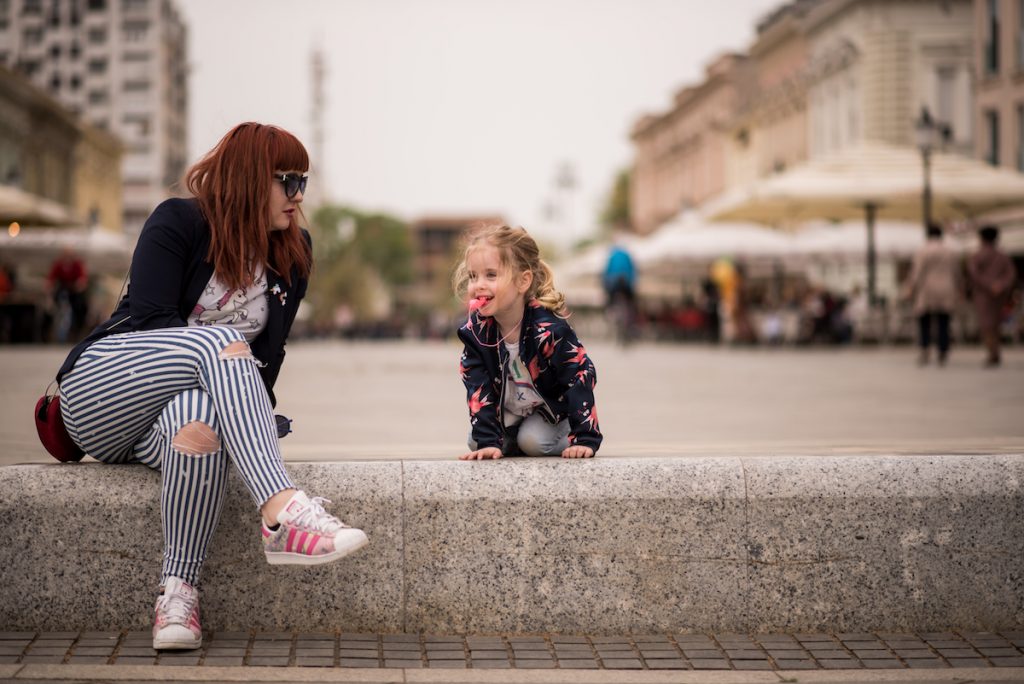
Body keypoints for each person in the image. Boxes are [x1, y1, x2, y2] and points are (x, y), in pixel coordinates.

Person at [50, 122, 368, 651]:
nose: (298, 196)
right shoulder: (179, 221)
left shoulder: (293, 252)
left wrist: (243, 421)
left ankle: (178, 596)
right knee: (216, 343)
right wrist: (226, 358)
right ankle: (282, 509)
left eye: (303, 182)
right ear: (246, 178)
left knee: (198, 429)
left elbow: (270, 360)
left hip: (167, 422)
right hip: (104, 393)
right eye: (285, 180)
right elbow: (150, 328)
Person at [454, 224, 602, 460]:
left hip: (551, 411)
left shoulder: (549, 330)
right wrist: (489, 441)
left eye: (491, 275)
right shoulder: (476, 335)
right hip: (511, 414)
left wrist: (584, 438)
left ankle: (556, 436)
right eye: (473, 276)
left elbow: (578, 376)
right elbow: (477, 388)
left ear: (523, 281)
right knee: (476, 440)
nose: (478, 284)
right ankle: (508, 441)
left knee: (532, 442)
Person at [902, 223, 961, 366]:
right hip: (947, 288)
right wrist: (960, 289)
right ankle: (942, 351)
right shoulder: (950, 251)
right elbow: (957, 273)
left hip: (927, 289)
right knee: (944, 322)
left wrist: (910, 288)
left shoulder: (923, 251)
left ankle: (925, 349)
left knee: (924, 322)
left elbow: (917, 272)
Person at [967, 225, 1018, 367]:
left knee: (986, 325)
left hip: (983, 294)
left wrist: (989, 285)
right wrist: (1000, 285)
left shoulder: (977, 255)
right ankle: (995, 352)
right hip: (999, 295)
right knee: (995, 324)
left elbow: (974, 274)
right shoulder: (1003, 255)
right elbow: (1011, 274)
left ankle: (992, 353)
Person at [46, 246, 89, 341]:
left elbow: (82, 278)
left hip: (74, 292)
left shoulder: (77, 264)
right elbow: (51, 278)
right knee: (57, 309)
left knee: (80, 308)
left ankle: (77, 330)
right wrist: (50, 286)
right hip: (63, 291)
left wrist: (80, 283)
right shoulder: (58, 264)